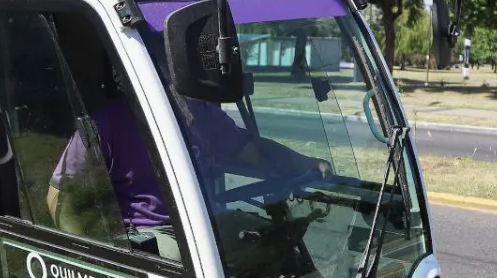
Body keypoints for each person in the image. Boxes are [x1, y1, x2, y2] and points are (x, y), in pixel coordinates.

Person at [47, 91, 330, 260]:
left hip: (210, 221)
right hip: (157, 231)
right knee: (190, 262)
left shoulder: (201, 116)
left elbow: (250, 149)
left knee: (278, 239)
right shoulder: (106, 124)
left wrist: (303, 163)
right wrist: (95, 261)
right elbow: (60, 195)